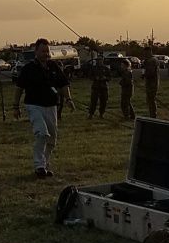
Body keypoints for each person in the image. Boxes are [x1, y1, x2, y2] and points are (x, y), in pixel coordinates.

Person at [12, 38, 73, 178]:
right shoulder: (28, 69)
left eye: (48, 51)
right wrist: (15, 107)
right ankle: (39, 166)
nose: (46, 54)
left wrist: (69, 99)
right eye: (43, 51)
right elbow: (19, 88)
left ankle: (44, 164)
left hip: (51, 106)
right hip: (34, 106)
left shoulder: (54, 66)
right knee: (42, 133)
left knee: (52, 139)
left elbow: (64, 84)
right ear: (36, 51)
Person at [87, 55, 111, 119]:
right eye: (98, 60)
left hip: (104, 87)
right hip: (96, 86)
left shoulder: (106, 68)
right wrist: (95, 78)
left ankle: (101, 114)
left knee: (104, 101)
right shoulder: (94, 68)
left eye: (101, 60)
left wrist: (105, 78)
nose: (100, 61)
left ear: (103, 60)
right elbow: (90, 76)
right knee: (93, 101)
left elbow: (110, 77)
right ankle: (91, 114)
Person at [142, 50, 160, 118]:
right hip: (154, 82)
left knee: (151, 99)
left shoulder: (151, 61)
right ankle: (152, 114)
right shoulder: (155, 59)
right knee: (151, 99)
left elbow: (151, 72)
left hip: (152, 83)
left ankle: (153, 114)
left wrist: (144, 75)